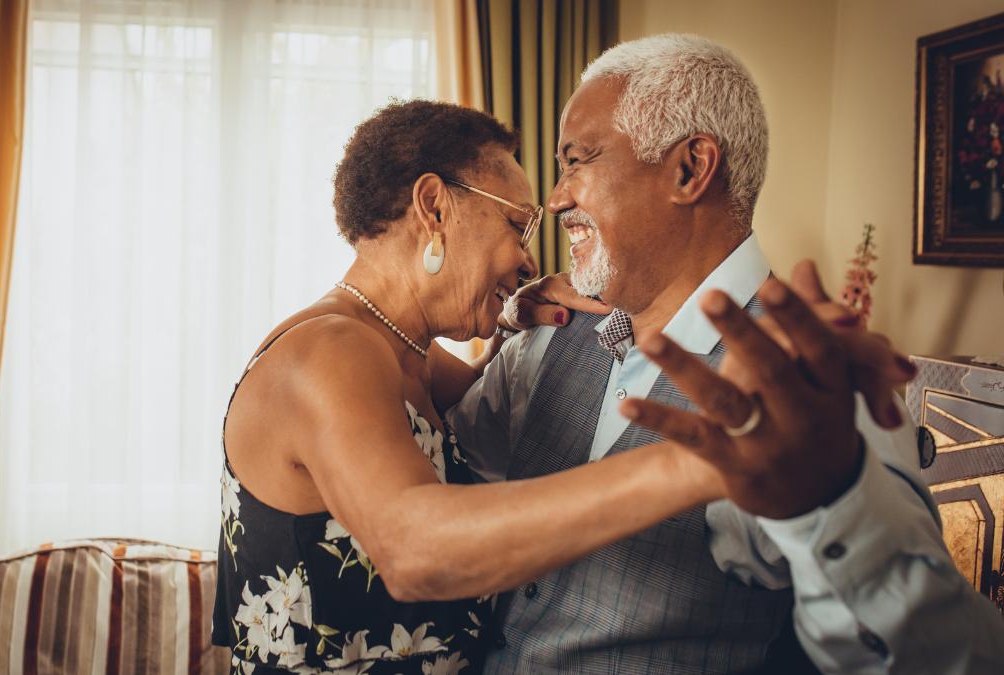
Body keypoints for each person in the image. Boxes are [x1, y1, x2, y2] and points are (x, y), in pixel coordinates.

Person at [210, 98, 916, 674]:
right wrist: (703, 457)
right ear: (435, 207)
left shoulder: (404, 353)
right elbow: (414, 550)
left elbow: (477, 416)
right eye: (517, 225)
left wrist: (515, 316)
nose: (527, 255)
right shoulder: (328, 355)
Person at [446, 33, 1004, 673]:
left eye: (577, 161)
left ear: (689, 169)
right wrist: (498, 320)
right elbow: (442, 471)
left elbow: (949, 659)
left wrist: (834, 499)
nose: (556, 197)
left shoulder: (810, 382)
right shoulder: (549, 331)